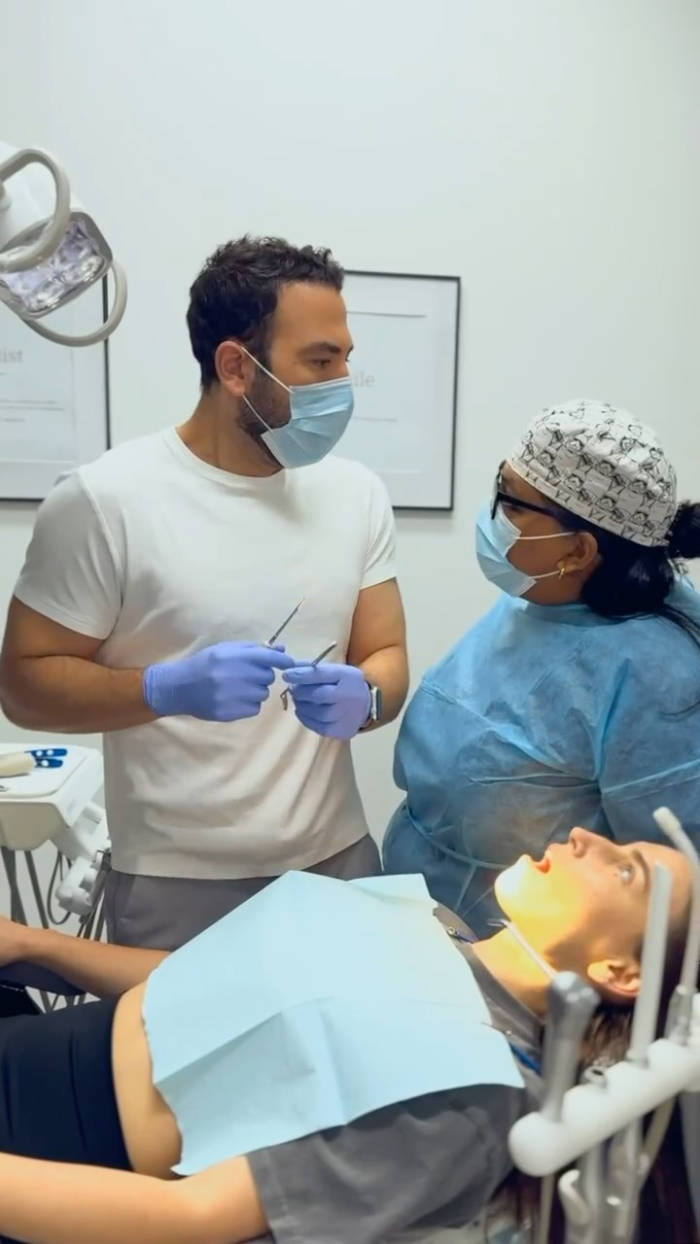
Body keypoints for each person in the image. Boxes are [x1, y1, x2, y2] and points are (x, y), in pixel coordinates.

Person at [0, 236, 408, 949]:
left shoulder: (356, 494)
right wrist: (158, 689)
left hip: (337, 863)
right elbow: (24, 686)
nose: (343, 381)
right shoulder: (105, 500)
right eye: (320, 361)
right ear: (235, 366)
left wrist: (368, 698)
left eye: (345, 358)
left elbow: (387, 652)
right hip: (176, 887)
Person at [0, 827, 693, 1244]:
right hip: (47, 1046)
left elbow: (195, 1216)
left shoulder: (469, 1096)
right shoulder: (429, 920)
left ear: (620, 972)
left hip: (50, 1159)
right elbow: (200, 980)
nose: (585, 839)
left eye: (623, 869)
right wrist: (38, 945)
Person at [383, 400, 700, 935]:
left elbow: (669, 884)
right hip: (419, 915)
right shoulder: (538, 599)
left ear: (577, 550)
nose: (492, 517)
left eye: (511, 504)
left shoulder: (655, 675)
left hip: (524, 958)